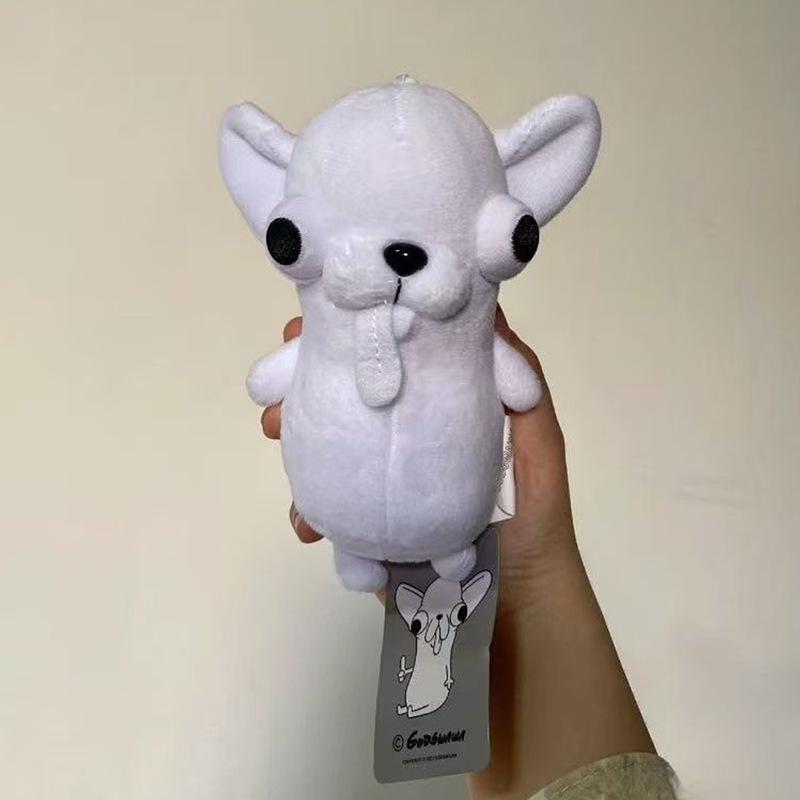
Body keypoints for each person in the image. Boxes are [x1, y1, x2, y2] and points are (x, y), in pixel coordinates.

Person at [260, 310, 679, 800]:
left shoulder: (466, 343)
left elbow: (517, 386)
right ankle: (362, 551)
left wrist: (523, 579)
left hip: (461, 533)